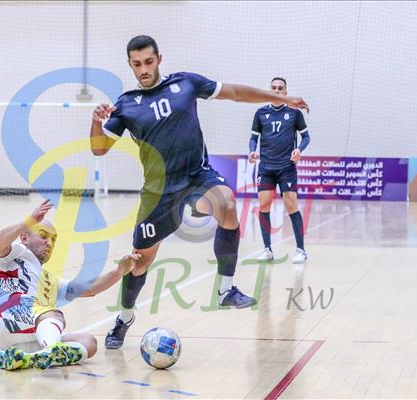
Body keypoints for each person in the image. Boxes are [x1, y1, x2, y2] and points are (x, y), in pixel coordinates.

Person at [90, 35, 310, 349]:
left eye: (149, 62)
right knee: (139, 262)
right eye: (137, 64)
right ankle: (124, 318)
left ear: (159, 59)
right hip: (159, 192)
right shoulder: (125, 105)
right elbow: (99, 149)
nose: (144, 69)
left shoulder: (186, 83)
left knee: (227, 203)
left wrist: (281, 98)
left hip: (197, 176)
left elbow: (234, 93)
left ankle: (225, 289)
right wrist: (96, 122)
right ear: (130, 65)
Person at [0, 199, 140, 370]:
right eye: (43, 236)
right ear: (24, 238)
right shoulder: (16, 254)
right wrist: (29, 222)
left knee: (88, 342)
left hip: (20, 336)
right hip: (6, 316)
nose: (49, 242)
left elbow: (90, 289)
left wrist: (118, 272)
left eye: (53, 239)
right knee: (54, 315)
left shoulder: (49, 279)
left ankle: (28, 359)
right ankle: (52, 349)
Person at [248, 77, 311, 264]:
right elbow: (254, 138)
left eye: (280, 88)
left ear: (285, 92)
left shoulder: (294, 113)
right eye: (274, 87)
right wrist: (251, 151)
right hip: (266, 168)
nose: (276, 90)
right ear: (269, 90)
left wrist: (299, 149)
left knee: (291, 205)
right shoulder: (260, 113)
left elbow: (306, 137)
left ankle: (301, 250)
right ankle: (267, 249)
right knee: (264, 205)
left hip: (286, 168)